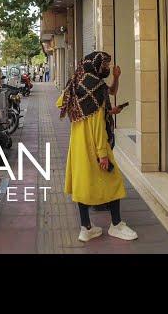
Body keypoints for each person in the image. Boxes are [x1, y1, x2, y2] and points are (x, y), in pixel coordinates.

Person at [57, 51, 138, 242]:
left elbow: (66, 105)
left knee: (82, 184)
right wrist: (102, 154)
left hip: (78, 146)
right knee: (114, 181)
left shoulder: (75, 83)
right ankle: (116, 225)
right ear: (96, 66)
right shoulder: (96, 87)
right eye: (105, 65)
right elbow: (96, 125)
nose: (107, 69)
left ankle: (86, 228)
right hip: (95, 145)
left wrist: (109, 110)